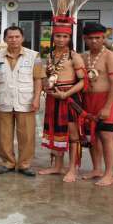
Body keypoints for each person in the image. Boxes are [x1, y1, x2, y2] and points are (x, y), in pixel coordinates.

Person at [0, 26, 44, 177]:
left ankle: (24, 164)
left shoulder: (34, 56)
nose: (13, 40)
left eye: (17, 37)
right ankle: (7, 162)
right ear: (5, 39)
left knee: (27, 135)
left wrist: (36, 98)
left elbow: (38, 79)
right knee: (4, 134)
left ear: (22, 38)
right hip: (3, 99)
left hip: (26, 101)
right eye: (10, 37)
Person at [39, 24, 87, 182]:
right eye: (58, 36)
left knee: (73, 135)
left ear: (69, 38)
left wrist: (66, 94)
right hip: (53, 98)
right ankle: (57, 166)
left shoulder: (74, 56)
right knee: (54, 132)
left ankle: (72, 169)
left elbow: (82, 81)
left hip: (69, 99)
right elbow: (47, 76)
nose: (61, 39)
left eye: (65, 36)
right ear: (53, 37)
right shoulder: (50, 55)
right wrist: (46, 86)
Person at [80, 22, 113, 186]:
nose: (94, 41)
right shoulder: (83, 56)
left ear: (104, 38)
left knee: (106, 136)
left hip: (105, 100)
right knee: (92, 136)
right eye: (90, 38)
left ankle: (109, 173)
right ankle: (96, 168)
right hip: (88, 100)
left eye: (98, 38)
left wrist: (107, 106)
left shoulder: (111, 56)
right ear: (85, 39)